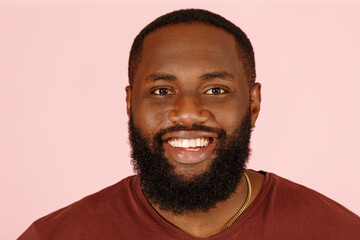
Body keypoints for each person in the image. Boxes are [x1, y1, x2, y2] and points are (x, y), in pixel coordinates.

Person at [18, 8, 360, 240]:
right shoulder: (55, 236)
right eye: (162, 90)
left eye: (216, 90)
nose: (188, 112)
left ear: (253, 103)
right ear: (129, 103)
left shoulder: (338, 231)